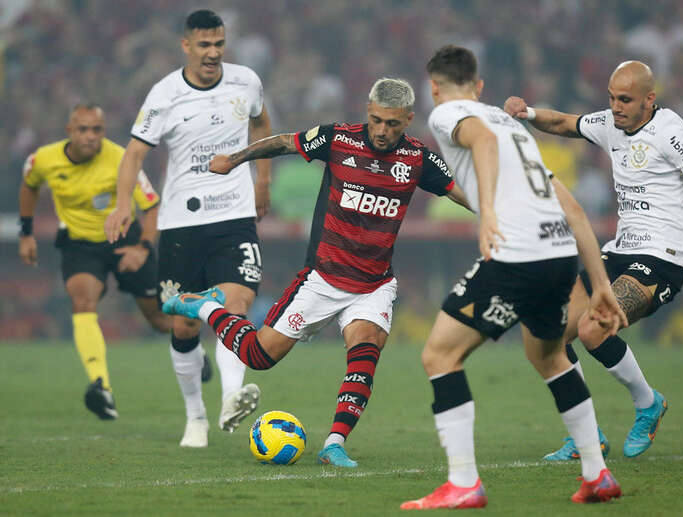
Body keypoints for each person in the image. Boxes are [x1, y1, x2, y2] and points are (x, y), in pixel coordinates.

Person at [162, 77, 470, 467]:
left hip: (373, 284)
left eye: (392, 123)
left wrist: (500, 214)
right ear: (367, 110)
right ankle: (205, 307)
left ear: (408, 119)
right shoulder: (339, 139)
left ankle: (334, 443)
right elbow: (284, 141)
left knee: (365, 350)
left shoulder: (418, 159)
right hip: (322, 278)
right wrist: (234, 160)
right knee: (258, 356)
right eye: (375, 119)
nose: (381, 130)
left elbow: (461, 191)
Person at [400, 45, 629, 510]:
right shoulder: (513, 129)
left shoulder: (448, 115)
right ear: (481, 85)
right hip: (559, 255)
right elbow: (573, 207)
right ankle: (597, 474)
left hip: (517, 255)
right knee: (547, 355)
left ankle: (463, 483)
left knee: (439, 355)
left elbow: (479, 141)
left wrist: (486, 215)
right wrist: (600, 283)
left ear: (434, 88)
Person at [503, 60, 683, 460]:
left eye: (625, 99)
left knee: (595, 327)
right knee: (549, 335)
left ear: (650, 98)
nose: (616, 106)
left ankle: (648, 404)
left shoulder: (669, 131)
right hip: (619, 251)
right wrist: (526, 113)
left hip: (664, 258)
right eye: (611, 98)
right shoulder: (613, 123)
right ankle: (586, 435)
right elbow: (565, 124)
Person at [104, 10, 272, 448]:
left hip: (234, 215)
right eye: (204, 45)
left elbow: (261, 123)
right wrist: (124, 204)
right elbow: (133, 155)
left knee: (236, 305)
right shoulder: (164, 95)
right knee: (182, 326)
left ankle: (232, 398)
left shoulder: (246, 82)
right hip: (181, 223)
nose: (213, 52)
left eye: (219, 43)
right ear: (186, 46)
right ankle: (194, 417)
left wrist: (264, 181)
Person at [18, 102, 171, 420]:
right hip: (81, 245)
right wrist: (26, 232)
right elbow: (29, 185)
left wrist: (142, 248)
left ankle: (191, 349)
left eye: (97, 130)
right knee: (82, 301)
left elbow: (152, 206)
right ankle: (101, 386)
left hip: (126, 240)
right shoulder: (43, 159)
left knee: (159, 321)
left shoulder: (121, 159)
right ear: (69, 132)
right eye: (83, 129)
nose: (90, 136)